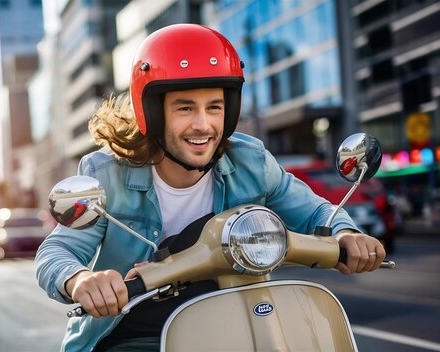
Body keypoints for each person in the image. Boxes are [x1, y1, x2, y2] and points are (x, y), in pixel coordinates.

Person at [35, 23, 386, 351]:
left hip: (236, 318)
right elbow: (57, 253)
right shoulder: (107, 172)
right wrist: (80, 279)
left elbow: (316, 211)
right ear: (153, 113)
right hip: (135, 331)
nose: (203, 125)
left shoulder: (252, 162)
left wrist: (345, 233)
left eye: (214, 107)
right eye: (185, 108)